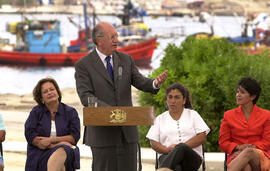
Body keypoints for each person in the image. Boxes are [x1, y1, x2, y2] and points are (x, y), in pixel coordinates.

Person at [74, 21, 168, 171]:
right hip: (102, 136)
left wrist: (155, 83)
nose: (116, 40)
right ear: (99, 40)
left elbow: (139, 81)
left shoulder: (126, 59)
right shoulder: (83, 65)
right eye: (112, 37)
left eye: (116, 36)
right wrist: (111, 112)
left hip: (127, 134)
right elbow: (86, 97)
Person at [146, 82, 210, 171]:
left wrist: (180, 148)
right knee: (177, 168)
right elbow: (153, 143)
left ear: (184, 100)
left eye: (177, 97)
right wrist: (167, 149)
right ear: (166, 99)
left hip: (191, 158)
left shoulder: (193, 115)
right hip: (166, 155)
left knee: (181, 147)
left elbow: (202, 137)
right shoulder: (160, 118)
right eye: (170, 97)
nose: (173, 101)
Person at [24, 77, 81, 171]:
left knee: (62, 150)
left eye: (52, 89)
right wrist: (56, 144)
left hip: (67, 150)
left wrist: (52, 140)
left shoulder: (70, 112)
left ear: (57, 92)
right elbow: (30, 136)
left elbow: (74, 137)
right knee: (61, 166)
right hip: (40, 152)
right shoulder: (36, 112)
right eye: (45, 92)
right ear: (41, 97)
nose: (50, 92)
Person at [219, 77, 270, 171]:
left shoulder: (267, 115)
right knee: (246, 167)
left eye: (242, 92)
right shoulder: (228, 115)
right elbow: (223, 143)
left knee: (249, 152)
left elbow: (267, 142)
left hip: (259, 156)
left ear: (252, 96)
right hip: (236, 156)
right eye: (237, 92)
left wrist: (250, 148)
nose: (238, 95)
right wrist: (238, 147)